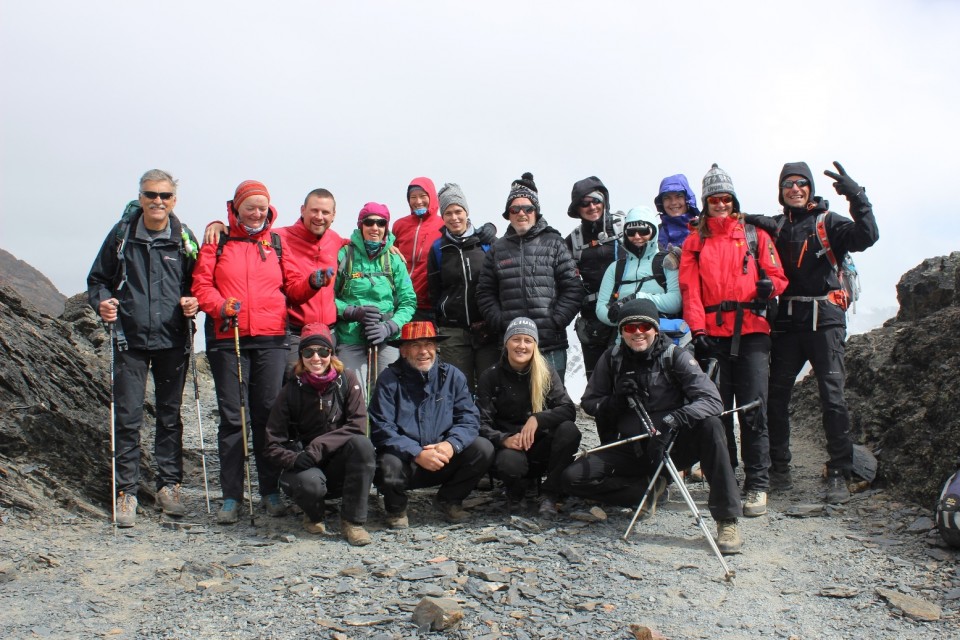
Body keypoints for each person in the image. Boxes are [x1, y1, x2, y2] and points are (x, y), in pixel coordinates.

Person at [193, 180, 331, 524]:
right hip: (230, 336)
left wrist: (312, 282)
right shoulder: (218, 241)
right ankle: (231, 496)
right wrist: (220, 305)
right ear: (237, 208)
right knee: (232, 418)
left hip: (271, 338)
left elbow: (293, 289)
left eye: (262, 207)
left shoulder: (276, 244)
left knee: (269, 416)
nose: (257, 213)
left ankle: (269, 490)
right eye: (250, 207)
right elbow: (201, 286)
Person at [560, 298, 744, 554]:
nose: (637, 333)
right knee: (572, 478)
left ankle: (726, 518)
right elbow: (590, 403)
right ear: (622, 331)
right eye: (629, 327)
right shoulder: (611, 359)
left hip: (672, 446)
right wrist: (616, 401)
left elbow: (712, 400)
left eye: (643, 327)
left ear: (655, 329)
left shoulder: (674, 357)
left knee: (711, 426)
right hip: (633, 447)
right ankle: (645, 489)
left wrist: (676, 419)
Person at [745, 161, 879, 503]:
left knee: (832, 398)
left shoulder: (828, 223)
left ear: (809, 188)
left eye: (801, 183)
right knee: (775, 398)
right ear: (781, 190)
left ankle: (839, 472)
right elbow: (738, 222)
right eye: (788, 183)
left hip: (825, 321)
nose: (795, 188)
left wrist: (856, 195)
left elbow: (868, 236)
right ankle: (780, 470)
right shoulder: (773, 226)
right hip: (788, 324)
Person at [87, 169, 199, 527]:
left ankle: (169, 486)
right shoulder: (122, 235)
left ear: (174, 200)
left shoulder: (184, 238)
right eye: (151, 194)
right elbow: (98, 280)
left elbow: (201, 281)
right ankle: (127, 492)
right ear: (140, 196)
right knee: (128, 416)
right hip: (129, 339)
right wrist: (102, 303)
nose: (157, 201)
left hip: (172, 340)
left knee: (170, 417)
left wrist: (194, 301)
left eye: (164, 196)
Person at [679, 163, 788, 518]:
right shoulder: (695, 241)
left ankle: (757, 483)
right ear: (707, 202)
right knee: (718, 410)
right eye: (714, 199)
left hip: (754, 332)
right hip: (713, 335)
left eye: (726, 198)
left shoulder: (756, 235)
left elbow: (778, 276)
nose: (721, 204)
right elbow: (690, 290)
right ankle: (725, 480)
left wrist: (769, 287)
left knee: (755, 407)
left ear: (733, 199)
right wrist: (697, 331)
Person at [204, 188, 345, 376]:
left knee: (328, 390)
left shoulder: (335, 239)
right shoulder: (279, 237)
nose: (319, 216)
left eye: (325, 212)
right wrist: (218, 224)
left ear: (333, 215)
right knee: (292, 389)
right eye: (314, 210)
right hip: (294, 331)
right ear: (302, 210)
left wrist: (390, 246)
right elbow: (249, 233)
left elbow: (361, 241)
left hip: (328, 332)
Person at [368, 321, 494, 527]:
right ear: (404, 350)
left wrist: (451, 445)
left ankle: (449, 499)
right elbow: (382, 428)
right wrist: (417, 453)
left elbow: (469, 419)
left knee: (483, 448)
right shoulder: (388, 379)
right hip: (407, 461)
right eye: (416, 345)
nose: (423, 351)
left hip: (443, 456)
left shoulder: (453, 375)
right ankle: (396, 509)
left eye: (428, 344)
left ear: (436, 347)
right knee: (387, 464)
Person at [263, 324, 376, 546]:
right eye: (308, 352)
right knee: (310, 484)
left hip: (335, 462)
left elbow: (357, 426)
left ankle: (353, 522)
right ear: (301, 356)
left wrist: (318, 447)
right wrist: (294, 459)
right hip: (304, 465)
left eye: (323, 351)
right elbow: (272, 445)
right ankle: (314, 514)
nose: (316, 358)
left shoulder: (348, 380)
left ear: (331, 354)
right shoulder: (289, 391)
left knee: (363, 445)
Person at [476, 172, 583, 381]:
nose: (521, 213)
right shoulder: (497, 249)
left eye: (528, 208)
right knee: (514, 405)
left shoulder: (554, 242)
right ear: (508, 214)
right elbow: (485, 292)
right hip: (512, 344)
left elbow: (573, 287)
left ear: (536, 212)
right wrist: (500, 322)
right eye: (515, 209)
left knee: (553, 405)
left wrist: (555, 320)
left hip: (549, 344)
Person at [476, 317, 581, 519]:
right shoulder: (490, 376)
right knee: (510, 463)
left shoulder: (546, 372)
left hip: (540, 445)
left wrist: (538, 419)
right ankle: (515, 494)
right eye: (516, 339)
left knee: (569, 430)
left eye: (527, 340)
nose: (521, 346)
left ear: (535, 345)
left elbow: (568, 409)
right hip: (510, 447)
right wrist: (504, 439)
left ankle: (549, 493)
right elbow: (480, 422)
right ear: (506, 343)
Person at [334, 202, 417, 395]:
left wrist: (390, 326)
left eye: (381, 223)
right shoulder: (345, 255)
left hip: (387, 338)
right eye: (369, 222)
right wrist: (352, 312)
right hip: (351, 337)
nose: (375, 228)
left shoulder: (394, 259)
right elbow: (329, 297)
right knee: (354, 395)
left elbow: (408, 301)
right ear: (360, 225)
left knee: (388, 395)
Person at [426, 182, 499, 391]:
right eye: (448, 213)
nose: (454, 217)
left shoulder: (486, 243)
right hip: (453, 331)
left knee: (489, 387)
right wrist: (438, 319)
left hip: (486, 328)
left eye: (458, 211)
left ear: (466, 211)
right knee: (458, 389)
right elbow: (435, 290)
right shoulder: (438, 249)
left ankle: (487, 425)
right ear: (442, 216)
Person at [564, 176, 623, 379]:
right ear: (577, 208)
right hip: (592, 319)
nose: (592, 207)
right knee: (598, 380)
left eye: (596, 200)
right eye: (584, 203)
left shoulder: (624, 228)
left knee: (627, 376)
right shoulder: (572, 240)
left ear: (604, 200)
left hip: (625, 312)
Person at [596, 206, 682, 327]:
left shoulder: (668, 261)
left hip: (663, 337)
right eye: (631, 232)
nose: (637, 236)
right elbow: (601, 307)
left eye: (643, 231)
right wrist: (623, 319)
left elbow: (675, 302)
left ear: (654, 232)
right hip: (625, 337)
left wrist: (636, 299)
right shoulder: (615, 268)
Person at [392, 177, 445, 321]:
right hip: (401, 303)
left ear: (432, 197)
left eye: (423, 196)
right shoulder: (399, 225)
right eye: (413, 197)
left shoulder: (444, 224)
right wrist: (387, 246)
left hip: (431, 306)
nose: (418, 201)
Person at [654, 174, 700, 252]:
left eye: (679, 196)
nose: (673, 202)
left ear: (687, 199)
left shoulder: (704, 230)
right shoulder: (654, 235)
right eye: (667, 198)